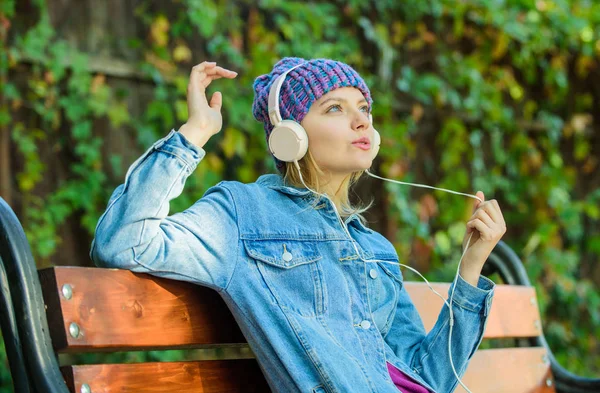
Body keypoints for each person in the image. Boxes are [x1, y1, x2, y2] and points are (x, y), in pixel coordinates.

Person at [91, 57, 506, 393]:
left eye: (363, 109)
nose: (362, 121)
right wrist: (195, 133)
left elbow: (428, 379)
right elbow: (123, 241)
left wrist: (470, 267)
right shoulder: (243, 213)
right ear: (291, 136)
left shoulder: (375, 247)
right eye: (335, 108)